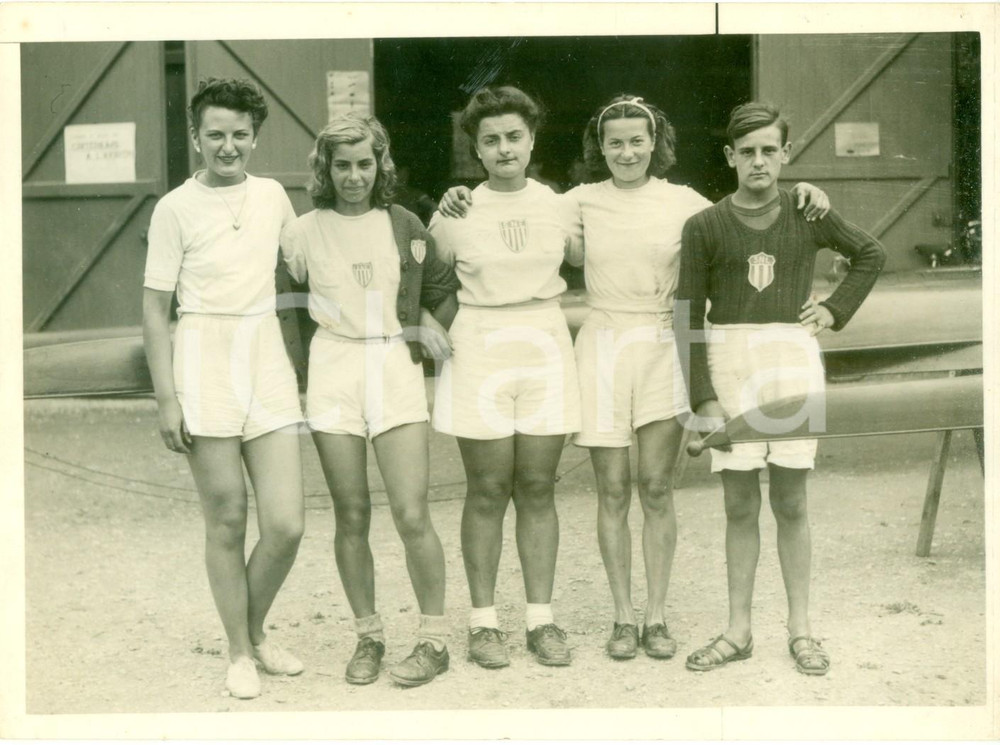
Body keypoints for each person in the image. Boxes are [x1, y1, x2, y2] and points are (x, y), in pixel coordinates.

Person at [440, 94, 830, 662]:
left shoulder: (685, 202)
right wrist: (456, 196)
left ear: (655, 142)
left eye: (637, 140)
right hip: (601, 340)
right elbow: (510, 210)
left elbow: (749, 211)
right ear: (600, 147)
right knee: (613, 488)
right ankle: (622, 617)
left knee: (655, 485)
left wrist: (804, 195)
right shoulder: (572, 202)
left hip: (662, 340)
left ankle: (656, 617)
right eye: (615, 142)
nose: (627, 151)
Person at [674, 102, 885, 676]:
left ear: (786, 153)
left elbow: (870, 254)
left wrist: (834, 310)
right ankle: (738, 630)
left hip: (791, 357)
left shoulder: (808, 211)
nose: (759, 161)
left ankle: (801, 629)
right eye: (747, 152)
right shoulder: (704, 225)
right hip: (730, 361)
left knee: (791, 501)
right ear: (730, 157)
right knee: (739, 503)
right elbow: (688, 313)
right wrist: (703, 397)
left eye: (770, 150)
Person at [280, 113, 459, 688]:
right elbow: (284, 307)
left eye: (365, 164)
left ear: (381, 165)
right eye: (342, 165)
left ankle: (434, 638)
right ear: (325, 169)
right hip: (334, 365)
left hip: (392, 361)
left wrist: (426, 318)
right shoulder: (302, 231)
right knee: (351, 512)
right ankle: (369, 635)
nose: (354, 176)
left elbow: (440, 288)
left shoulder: (402, 221)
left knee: (411, 513)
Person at [143, 77, 305, 699]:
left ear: (255, 138)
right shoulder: (174, 208)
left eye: (239, 135)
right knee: (229, 518)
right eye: (215, 134)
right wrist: (166, 397)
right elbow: (156, 308)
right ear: (196, 137)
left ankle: (254, 629)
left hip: (264, 355)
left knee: (287, 523)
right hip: (204, 358)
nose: (228, 146)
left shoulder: (272, 197)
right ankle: (239, 651)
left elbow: (308, 260)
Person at [429, 85, 581, 669]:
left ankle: (541, 619)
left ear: (533, 138)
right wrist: (424, 320)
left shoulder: (560, 205)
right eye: (490, 139)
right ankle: (484, 622)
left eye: (514, 136)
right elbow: (417, 277)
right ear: (476, 148)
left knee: (539, 486)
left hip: (543, 339)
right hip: (481, 347)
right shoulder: (455, 211)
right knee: (488, 489)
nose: (503, 148)